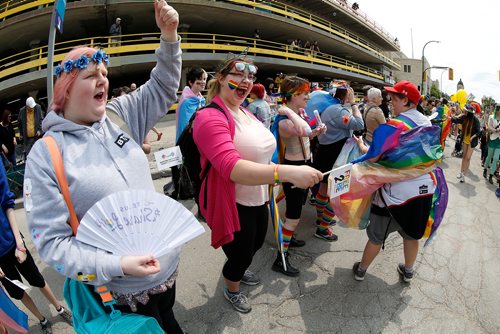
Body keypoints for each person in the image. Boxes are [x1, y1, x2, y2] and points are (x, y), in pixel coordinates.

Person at [24, 2, 184, 332]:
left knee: (169, 323)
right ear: (65, 89)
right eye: (91, 75)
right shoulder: (46, 154)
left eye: (105, 74)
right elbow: (53, 246)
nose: (103, 81)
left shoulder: (118, 114)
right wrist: (118, 265)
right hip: (119, 292)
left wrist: (169, 38)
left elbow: (163, 86)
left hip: (167, 272)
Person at [193, 57, 322, 313]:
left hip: (260, 197)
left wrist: (286, 111)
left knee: (254, 246)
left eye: (251, 77)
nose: (246, 81)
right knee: (240, 253)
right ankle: (232, 287)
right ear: (220, 78)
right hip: (233, 202)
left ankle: (239, 271)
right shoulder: (209, 117)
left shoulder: (246, 111)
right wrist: (287, 172)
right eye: (239, 74)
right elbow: (231, 167)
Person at [352, 81, 438, 283]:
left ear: (406, 100)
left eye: (394, 99)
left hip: (394, 194)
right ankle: (408, 271)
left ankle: (361, 270)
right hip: (423, 189)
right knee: (411, 234)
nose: (390, 103)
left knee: (376, 235)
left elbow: (373, 158)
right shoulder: (428, 124)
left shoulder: (394, 127)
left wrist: (363, 147)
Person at [0, 163, 72, 333]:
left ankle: (59, 308)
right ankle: (42, 319)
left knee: (36, 279)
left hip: (12, 242)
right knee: (17, 291)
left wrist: (19, 243)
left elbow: (7, 202)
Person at [272, 76, 327, 276]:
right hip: (293, 168)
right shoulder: (284, 121)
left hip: (304, 164)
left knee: (297, 208)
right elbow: (303, 130)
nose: (308, 96)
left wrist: (317, 132)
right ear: (293, 95)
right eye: (304, 93)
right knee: (294, 215)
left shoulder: (297, 114)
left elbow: (307, 134)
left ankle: (289, 237)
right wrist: (287, 110)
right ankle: (281, 257)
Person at [314, 81, 364, 241]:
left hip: (324, 152)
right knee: (338, 192)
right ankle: (323, 228)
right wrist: (354, 103)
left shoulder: (330, 107)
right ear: (344, 94)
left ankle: (320, 218)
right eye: (349, 92)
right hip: (336, 155)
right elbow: (359, 124)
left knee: (323, 190)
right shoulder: (337, 110)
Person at [451, 104, 480, 183]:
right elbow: (456, 120)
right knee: (464, 157)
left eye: (465, 111)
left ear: (469, 112)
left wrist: (472, 137)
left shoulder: (476, 120)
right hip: (465, 140)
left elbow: (478, 132)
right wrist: (449, 118)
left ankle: (464, 175)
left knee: (468, 158)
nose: (464, 111)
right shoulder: (464, 117)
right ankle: (461, 173)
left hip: (471, 141)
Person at [483, 105, 500, 184]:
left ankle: (491, 175)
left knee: (496, 158)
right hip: (492, 139)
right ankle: (485, 169)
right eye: (499, 110)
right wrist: (496, 130)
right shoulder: (491, 117)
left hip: (499, 141)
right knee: (489, 156)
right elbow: (489, 127)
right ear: (497, 110)